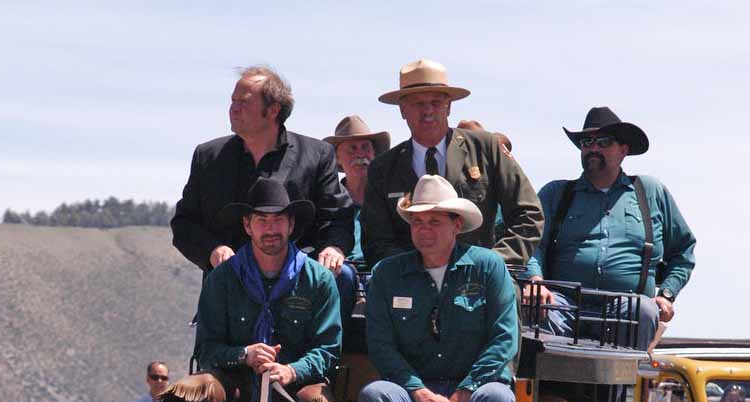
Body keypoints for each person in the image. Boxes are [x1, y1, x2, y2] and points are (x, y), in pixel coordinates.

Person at [163, 179, 342, 402]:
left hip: (293, 385)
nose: (270, 228)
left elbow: (328, 349)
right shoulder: (221, 279)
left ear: (291, 224)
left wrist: (292, 370)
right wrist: (243, 354)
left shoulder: (318, 280)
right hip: (237, 382)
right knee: (194, 390)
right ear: (247, 226)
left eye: (278, 220)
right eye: (261, 220)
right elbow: (207, 348)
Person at [351, 175, 518, 402]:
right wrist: (421, 394)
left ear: (457, 225)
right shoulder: (387, 274)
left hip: (472, 394)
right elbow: (381, 346)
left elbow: (504, 340)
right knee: (376, 395)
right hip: (414, 395)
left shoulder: (489, 267)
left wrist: (463, 393)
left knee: (499, 398)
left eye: (434, 221)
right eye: (417, 221)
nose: (423, 230)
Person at [171, 65, 356, 321]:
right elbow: (184, 223)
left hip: (299, 272)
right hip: (232, 278)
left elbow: (337, 216)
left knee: (343, 276)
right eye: (232, 101)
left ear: (272, 110)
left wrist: (334, 248)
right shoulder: (209, 157)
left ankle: (326, 357)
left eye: (243, 103)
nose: (233, 109)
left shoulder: (316, 155)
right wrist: (213, 250)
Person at [526, 107, 696, 350]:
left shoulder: (650, 192)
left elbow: (683, 249)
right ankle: (545, 386)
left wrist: (667, 294)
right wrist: (535, 280)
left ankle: (616, 385)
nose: (593, 148)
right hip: (562, 305)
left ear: (623, 150)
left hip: (625, 308)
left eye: (603, 142)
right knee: (530, 309)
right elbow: (531, 243)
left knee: (646, 311)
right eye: (587, 142)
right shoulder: (556, 193)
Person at [361, 59, 543, 269]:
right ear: (403, 110)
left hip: (479, 282)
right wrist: (412, 272)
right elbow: (376, 239)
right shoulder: (383, 168)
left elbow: (529, 214)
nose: (427, 111)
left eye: (436, 103)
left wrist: (494, 263)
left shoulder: (486, 149)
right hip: (409, 285)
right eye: (418, 103)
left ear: (449, 107)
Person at [324, 115, 390, 268]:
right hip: (339, 275)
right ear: (337, 158)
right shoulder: (327, 203)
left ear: (374, 154)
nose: (360, 155)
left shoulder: (389, 200)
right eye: (352, 148)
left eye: (366, 147)